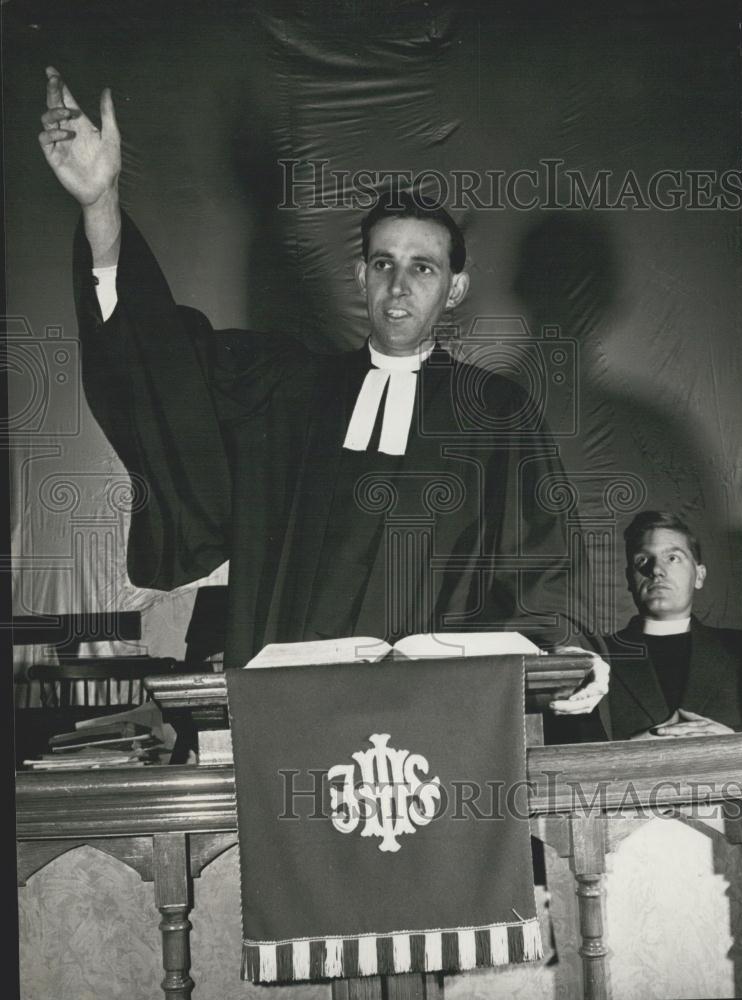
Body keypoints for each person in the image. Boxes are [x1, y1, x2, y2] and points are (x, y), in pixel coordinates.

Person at [38, 67, 608, 718]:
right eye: (384, 264)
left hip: (448, 730)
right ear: (359, 276)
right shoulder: (281, 393)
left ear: (454, 289)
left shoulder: (497, 414)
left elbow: (547, 574)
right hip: (293, 727)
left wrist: (562, 656)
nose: (400, 285)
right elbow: (156, 363)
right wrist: (100, 205)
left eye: (423, 267)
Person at [603, 510, 742, 739]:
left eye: (672, 558)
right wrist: (624, 754)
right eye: (642, 559)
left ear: (699, 575)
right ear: (630, 579)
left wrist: (735, 742)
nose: (656, 570)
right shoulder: (596, 655)